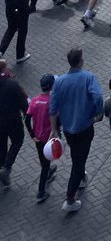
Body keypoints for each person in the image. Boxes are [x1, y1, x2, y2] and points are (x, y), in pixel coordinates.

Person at [49, 47, 104, 214]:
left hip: (68, 128)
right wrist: (99, 113)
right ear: (80, 61)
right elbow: (98, 96)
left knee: (77, 154)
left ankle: (80, 177)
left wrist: (53, 129)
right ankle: (70, 198)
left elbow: (53, 107)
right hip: (85, 126)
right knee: (79, 161)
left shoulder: (59, 81)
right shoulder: (88, 77)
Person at [25, 71, 55, 201]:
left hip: (37, 138)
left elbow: (26, 120)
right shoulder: (51, 102)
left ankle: (48, 172)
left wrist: (32, 135)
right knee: (45, 165)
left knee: (44, 160)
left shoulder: (35, 101)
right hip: (48, 138)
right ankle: (41, 192)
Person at [0, 58, 28, 191]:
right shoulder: (11, 84)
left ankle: (2, 170)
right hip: (12, 120)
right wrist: (26, 112)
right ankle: (6, 167)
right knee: (17, 140)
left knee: (1, 146)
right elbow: (23, 101)